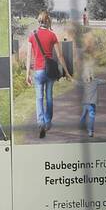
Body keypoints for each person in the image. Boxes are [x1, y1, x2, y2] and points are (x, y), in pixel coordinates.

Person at [25, 11, 69, 139]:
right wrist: (66, 71)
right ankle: (48, 122)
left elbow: (29, 56)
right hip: (50, 71)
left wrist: (27, 73)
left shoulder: (32, 35)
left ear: (39, 21)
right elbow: (60, 56)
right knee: (49, 97)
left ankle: (40, 123)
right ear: (48, 21)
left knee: (39, 98)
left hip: (38, 71)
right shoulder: (52, 35)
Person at [78, 68, 106, 138]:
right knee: (89, 116)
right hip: (91, 103)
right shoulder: (95, 81)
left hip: (87, 103)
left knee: (85, 115)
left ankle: (85, 128)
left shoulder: (86, 82)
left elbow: (76, 82)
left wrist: (70, 78)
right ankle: (89, 130)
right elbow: (104, 81)